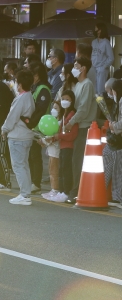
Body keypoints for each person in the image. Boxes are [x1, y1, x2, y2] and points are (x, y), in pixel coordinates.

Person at [1, 70, 37, 205]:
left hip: (17, 136)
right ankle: (26, 193)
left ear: (20, 84)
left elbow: (12, 117)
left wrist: (4, 129)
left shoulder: (21, 98)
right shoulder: (29, 96)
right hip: (26, 135)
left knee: (18, 165)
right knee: (24, 165)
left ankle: (24, 194)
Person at [64, 57, 96, 203]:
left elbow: (83, 109)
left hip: (83, 128)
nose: (74, 68)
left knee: (78, 161)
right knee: (73, 160)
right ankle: (73, 189)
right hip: (77, 126)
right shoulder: (77, 85)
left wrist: (71, 122)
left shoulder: (87, 84)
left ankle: (76, 192)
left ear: (83, 68)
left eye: (76, 65)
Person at [48, 91, 78, 203]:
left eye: (67, 99)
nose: (64, 101)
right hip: (62, 146)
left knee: (66, 170)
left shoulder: (72, 115)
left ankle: (66, 192)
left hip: (68, 147)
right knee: (61, 170)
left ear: (72, 101)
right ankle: (61, 191)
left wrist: (59, 136)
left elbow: (72, 134)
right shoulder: (65, 114)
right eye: (63, 98)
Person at [26, 62, 52, 193]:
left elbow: (40, 109)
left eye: (33, 74)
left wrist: (30, 122)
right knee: (31, 155)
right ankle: (32, 180)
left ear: (38, 75)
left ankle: (36, 182)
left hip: (38, 126)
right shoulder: (34, 88)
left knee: (35, 156)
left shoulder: (43, 89)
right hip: (32, 125)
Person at [102, 79, 122, 208]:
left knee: (117, 169)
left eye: (112, 91)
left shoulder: (121, 101)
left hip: (118, 142)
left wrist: (114, 125)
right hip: (117, 142)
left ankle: (117, 196)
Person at [40, 100, 64, 202]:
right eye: (53, 108)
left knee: (54, 170)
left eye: (56, 108)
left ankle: (55, 189)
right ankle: (53, 189)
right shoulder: (54, 121)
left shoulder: (59, 123)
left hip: (56, 151)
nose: (54, 110)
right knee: (51, 169)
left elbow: (53, 138)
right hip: (51, 151)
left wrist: (44, 141)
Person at [92, 21, 113, 92]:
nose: (94, 30)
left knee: (100, 91)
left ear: (100, 30)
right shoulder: (93, 42)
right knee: (93, 90)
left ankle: (100, 103)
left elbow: (111, 58)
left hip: (101, 69)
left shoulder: (106, 42)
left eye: (96, 28)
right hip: (94, 68)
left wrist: (103, 67)